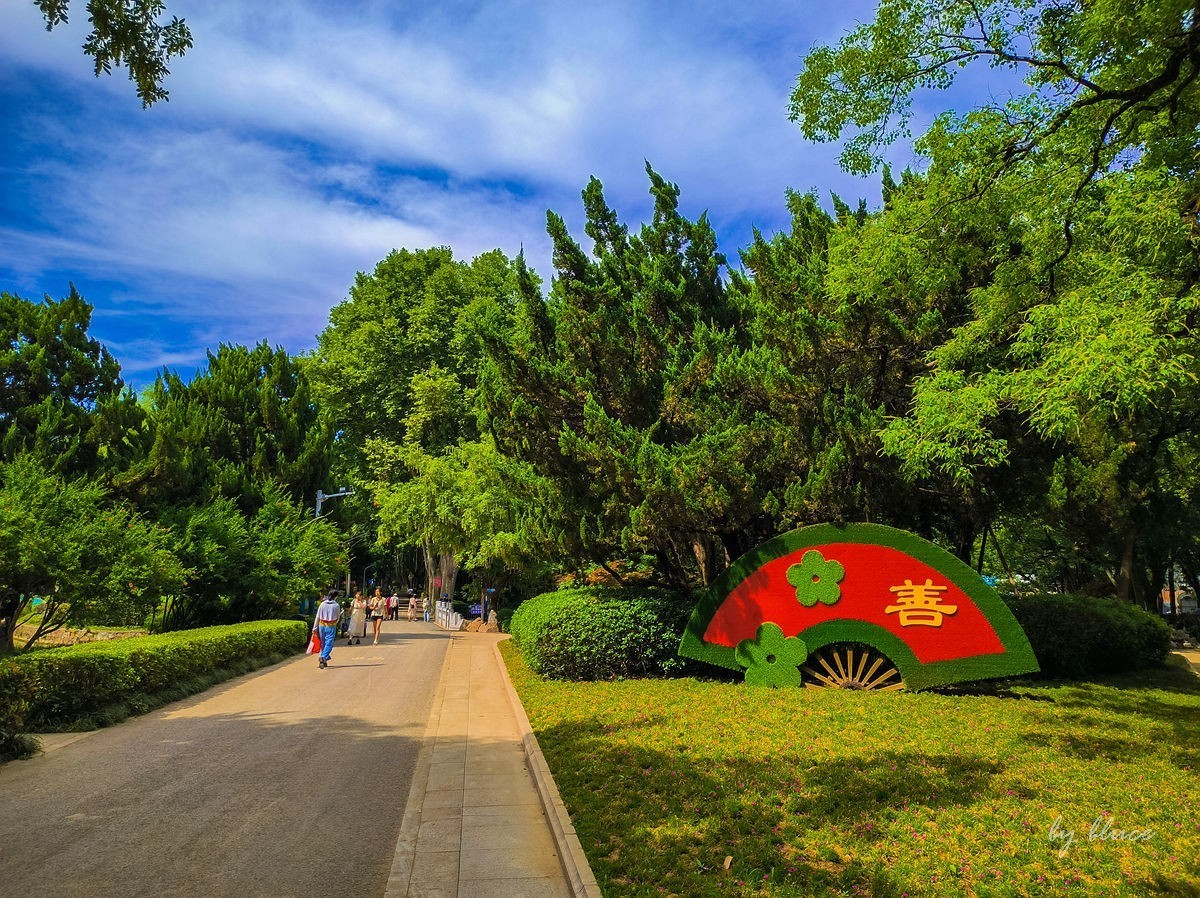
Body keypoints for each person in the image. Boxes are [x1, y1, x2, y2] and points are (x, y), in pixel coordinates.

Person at [312, 589, 342, 669]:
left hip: (321, 625)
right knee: (329, 643)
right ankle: (323, 656)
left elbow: (317, 616)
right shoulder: (336, 605)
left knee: (323, 643)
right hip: (331, 625)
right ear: (335, 596)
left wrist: (315, 627)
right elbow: (338, 617)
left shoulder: (322, 604)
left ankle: (324, 660)